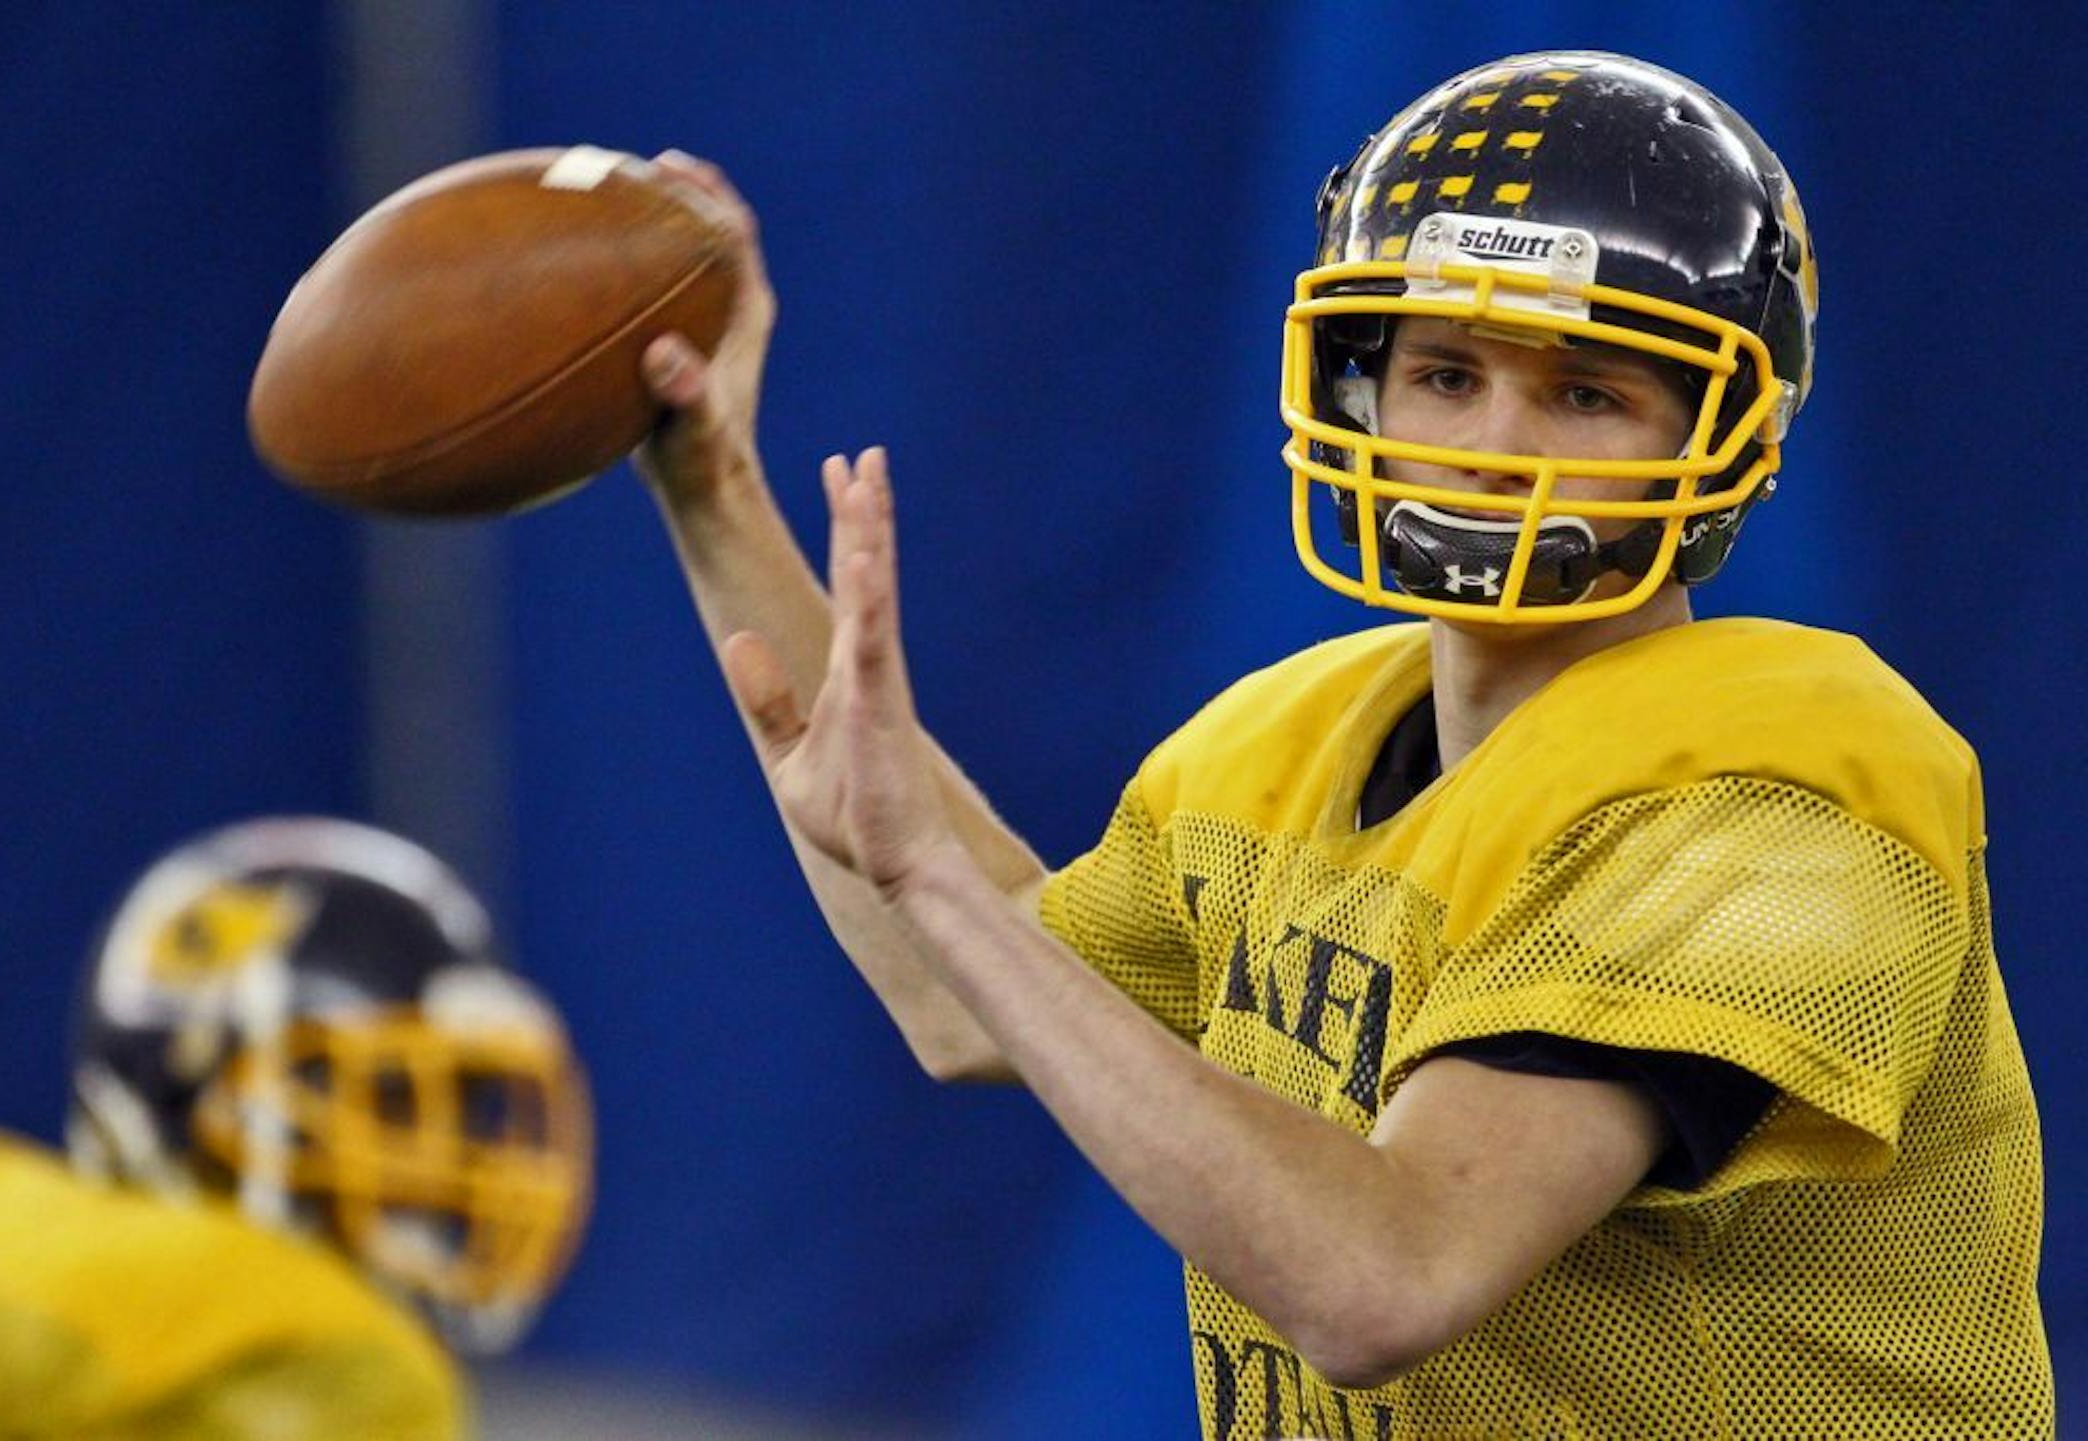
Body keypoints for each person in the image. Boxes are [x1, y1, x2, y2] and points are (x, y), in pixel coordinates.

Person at [633, 51, 2050, 1438]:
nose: (1496, 444)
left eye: (1586, 393)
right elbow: (970, 995)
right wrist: (711, 483)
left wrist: (932, 878)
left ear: (1728, 427)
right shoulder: (1292, 738)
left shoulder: (1777, 807)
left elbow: (1384, 1275)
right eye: (1444, 373)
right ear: (1362, 384)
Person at [0, 816, 593, 1440]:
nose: (448, 1152)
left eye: (466, 1105)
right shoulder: (317, 1344)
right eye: (392, 1101)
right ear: (194, 1082)